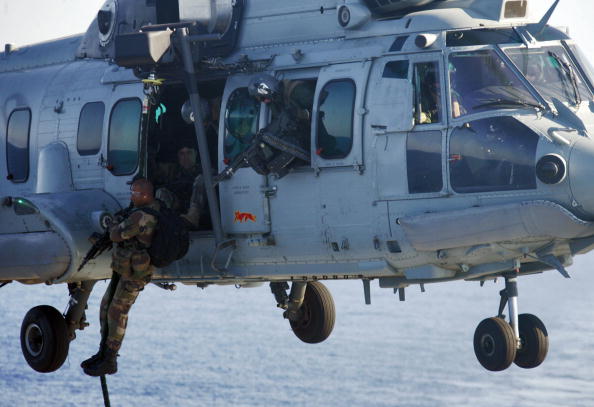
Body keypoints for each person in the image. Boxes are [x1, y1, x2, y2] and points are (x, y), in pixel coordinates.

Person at [81, 178, 160, 377]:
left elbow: (117, 234)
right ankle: (103, 351)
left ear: (144, 195)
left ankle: (110, 359)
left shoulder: (142, 216)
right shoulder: (138, 212)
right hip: (124, 268)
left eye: (134, 192)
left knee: (117, 312)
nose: (131, 195)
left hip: (135, 273)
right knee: (106, 306)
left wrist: (115, 226)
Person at [219, 74, 310, 181]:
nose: (264, 101)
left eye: (263, 97)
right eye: (261, 99)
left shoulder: (294, 92)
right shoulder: (276, 103)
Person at [153, 144, 205, 229]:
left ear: (196, 154)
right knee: (161, 191)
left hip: (201, 211)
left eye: (189, 153)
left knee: (201, 179)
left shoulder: (205, 170)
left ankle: (193, 216)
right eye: (182, 154)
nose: (185, 157)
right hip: (180, 210)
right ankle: (165, 225)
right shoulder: (174, 174)